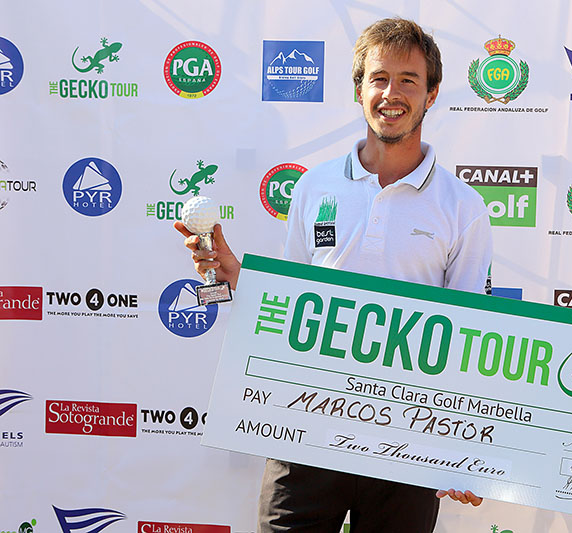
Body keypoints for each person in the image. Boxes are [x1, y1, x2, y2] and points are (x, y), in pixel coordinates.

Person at [175, 17, 492, 532]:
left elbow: (470, 337)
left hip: (406, 443)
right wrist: (236, 277)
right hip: (305, 427)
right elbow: (291, 307)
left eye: (408, 80)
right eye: (379, 78)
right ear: (359, 90)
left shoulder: (463, 207)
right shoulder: (314, 187)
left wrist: (465, 449)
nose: (391, 93)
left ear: (432, 94)